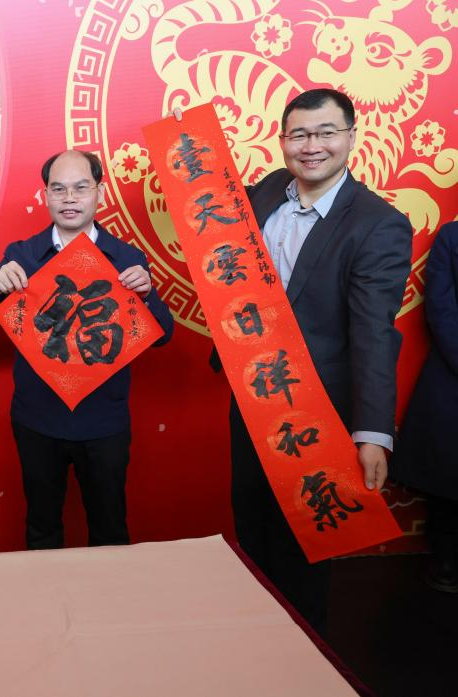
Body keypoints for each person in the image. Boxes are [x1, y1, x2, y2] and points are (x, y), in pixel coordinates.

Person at [224, 88, 413, 633]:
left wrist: (372, 433)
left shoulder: (377, 224)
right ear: (283, 140)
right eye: (299, 134)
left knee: (303, 547)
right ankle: (252, 639)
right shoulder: (264, 192)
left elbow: (374, 333)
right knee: (252, 528)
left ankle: (303, 653)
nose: (312, 146)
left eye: (326, 132)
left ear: (351, 137)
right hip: (251, 397)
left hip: (318, 412)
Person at [0, 150, 174, 550]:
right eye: (58, 189)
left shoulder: (126, 258)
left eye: (81, 188)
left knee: (110, 530)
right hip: (37, 418)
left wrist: (147, 297)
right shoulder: (23, 255)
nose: (70, 198)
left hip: (104, 420)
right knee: (42, 529)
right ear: (46, 195)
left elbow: (163, 336)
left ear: (99, 193)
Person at [391, 222, 458, 593]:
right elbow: (441, 309)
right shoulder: (451, 236)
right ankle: (447, 560)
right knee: (447, 474)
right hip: (452, 372)